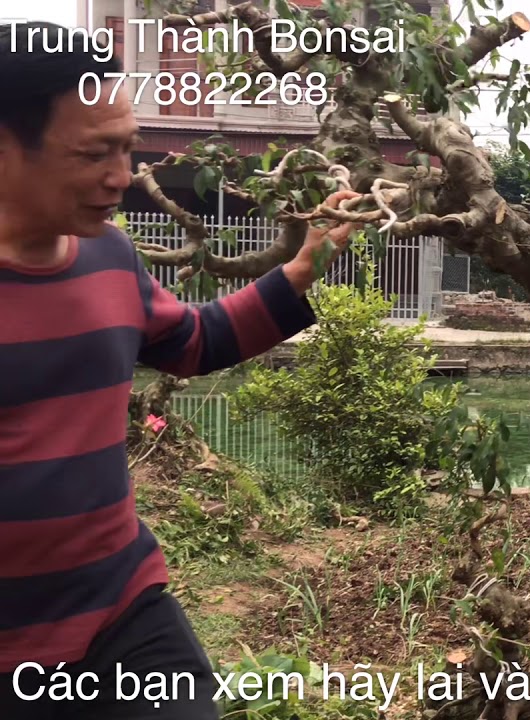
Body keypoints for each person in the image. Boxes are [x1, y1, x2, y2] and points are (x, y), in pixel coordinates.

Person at [0, 22, 363, 719]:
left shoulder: (110, 255)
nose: (122, 174)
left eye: (128, 148)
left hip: (122, 614)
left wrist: (304, 267)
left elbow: (193, 342)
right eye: (93, 153)